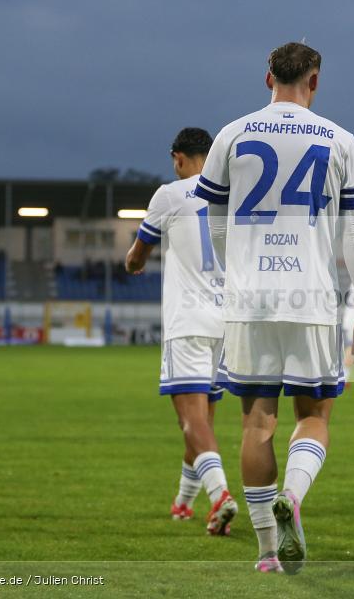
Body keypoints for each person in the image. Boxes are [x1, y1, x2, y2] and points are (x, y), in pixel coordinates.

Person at [197, 42, 354, 574]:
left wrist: (238, 274)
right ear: (314, 80)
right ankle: (293, 495)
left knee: (257, 422)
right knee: (314, 415)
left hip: (250, 298)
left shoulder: (231, 134)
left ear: (267, 77)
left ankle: (267, 552)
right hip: (312, 297)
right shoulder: (340, 139)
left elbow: (216, 225)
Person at [124, 128, 238, 535]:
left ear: (178, 157)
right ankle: (184, 502)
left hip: (187, 320)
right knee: (201, 421)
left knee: (191, 420)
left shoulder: (169, 195)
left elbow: (138, 256)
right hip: (227, 323)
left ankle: (220, 495)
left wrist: (133, 262)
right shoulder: (233, 196)